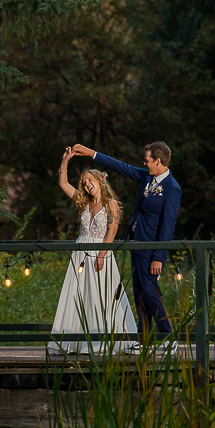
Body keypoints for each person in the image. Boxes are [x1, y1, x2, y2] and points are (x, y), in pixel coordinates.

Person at [71, 140, 181, 350]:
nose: (144, 163)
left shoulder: (172, 188)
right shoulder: (147, 176)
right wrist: (91, 153)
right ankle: (142, 339)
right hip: (136, 243)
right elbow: (121, 166)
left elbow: (168, 226)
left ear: (158, 160)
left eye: (147, 160)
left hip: (150, 247)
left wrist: (159, 256)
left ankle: (169, 338)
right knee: (140, 291)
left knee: (150, 291)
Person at [51, 148, 138, 356]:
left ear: (100, 181)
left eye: (90, 180)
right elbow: (63, 184)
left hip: (101, 252)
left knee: (103, 295)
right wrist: (65, 161)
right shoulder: (84, 202)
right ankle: (77, 341)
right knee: (79, 294)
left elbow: (113, 230)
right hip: (80, 253)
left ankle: (108, 339)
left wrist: (101, 255)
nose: (87, 184)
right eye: (84, 182)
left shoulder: (111, 204)